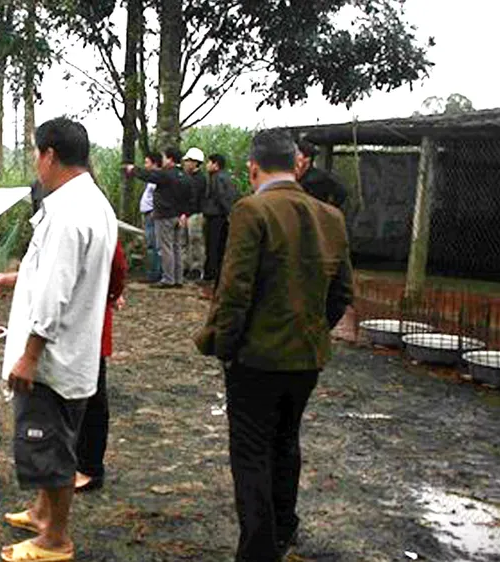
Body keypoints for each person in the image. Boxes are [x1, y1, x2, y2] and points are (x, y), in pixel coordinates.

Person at [194, 129, 354, 562]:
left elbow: (234, 292)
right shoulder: (330, 217)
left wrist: (224, 347)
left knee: (250, 454)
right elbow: (342, 293)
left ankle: (258, 551)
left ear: (252, 168)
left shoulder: (252, 210)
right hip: (306, 359)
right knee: (286, 442)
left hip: (256, 360)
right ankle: (284, 529)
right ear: (297, 164)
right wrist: (315, 331)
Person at [0, 117, 117, 562]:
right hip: (74, 348)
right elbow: (65, 272)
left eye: (37, 154)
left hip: (53, 358)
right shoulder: (91, 203)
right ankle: (41, 513)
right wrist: (17, 277)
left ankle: (55, 539)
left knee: (49, 445)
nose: (36, 162)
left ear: (50, 155)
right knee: (53, 440)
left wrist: (29, 356)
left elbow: (56, 292)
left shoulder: (67, 213)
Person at [74, 239, 127, 493]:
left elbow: (117, 264)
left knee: (92, 396)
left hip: (86, 320)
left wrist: (112, 293)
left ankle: (89, 467)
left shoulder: (90, 212)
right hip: (82, 318)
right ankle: (83, 462)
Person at [125, 148, 190, 288]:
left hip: (165, 215)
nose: (163, 161)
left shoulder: (166, 175)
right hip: (178, 216)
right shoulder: (184, 176)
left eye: (165, 158)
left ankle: (168, 279)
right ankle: (178, 279)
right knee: (177, 247)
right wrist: (184, 213)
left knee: (165, 247)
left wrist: (134, 170)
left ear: (171, 159)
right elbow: (189, 197)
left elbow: (149, 176)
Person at [202, 153, 239, 286]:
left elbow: (221, 196)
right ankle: (217, 274)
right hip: (222, 216)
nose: (207, 165)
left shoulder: (217, 178)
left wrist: (228, 212)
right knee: (220, 246)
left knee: (213, 246)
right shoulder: (227, 177)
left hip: (216, 216)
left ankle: (211, 275)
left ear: (215, 165)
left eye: (209, 162)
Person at [295, 140, 348, 210]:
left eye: (297, 154)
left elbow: (342, 192)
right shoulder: (293, 178)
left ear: (307, 159)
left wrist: (329, 209)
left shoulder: (319, 178)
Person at [138, 152, 164, 283]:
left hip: (152, 214)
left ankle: (155, 273)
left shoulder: (157, 178)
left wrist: (154, 210)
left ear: (154, 163)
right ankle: (154, 272)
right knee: (152, 244)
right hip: (148, 213)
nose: (145, 165)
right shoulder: (152, 179)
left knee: (153, 245)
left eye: (147, 162)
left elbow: (158, 197)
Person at [182, 147, 207, 280]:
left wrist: (186, 213)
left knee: (195, 241)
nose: (185, 163)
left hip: (195, 214)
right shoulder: (188, 177)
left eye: (188, 161)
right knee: (184, 241)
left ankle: (196, 269)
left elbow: (194, 199)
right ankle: (185, 266)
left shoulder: (199, 179)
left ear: (195, 162)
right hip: (186, 214)